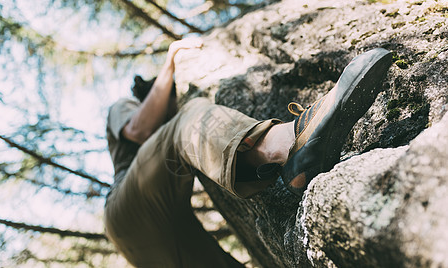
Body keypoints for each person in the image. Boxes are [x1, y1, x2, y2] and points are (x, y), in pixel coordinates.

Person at [104, 37, 392, 267]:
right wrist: (170, 63)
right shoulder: (122, 106)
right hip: (126, 209)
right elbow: (138, 130)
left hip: (161, 234)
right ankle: (288, 144)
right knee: (190, 116)